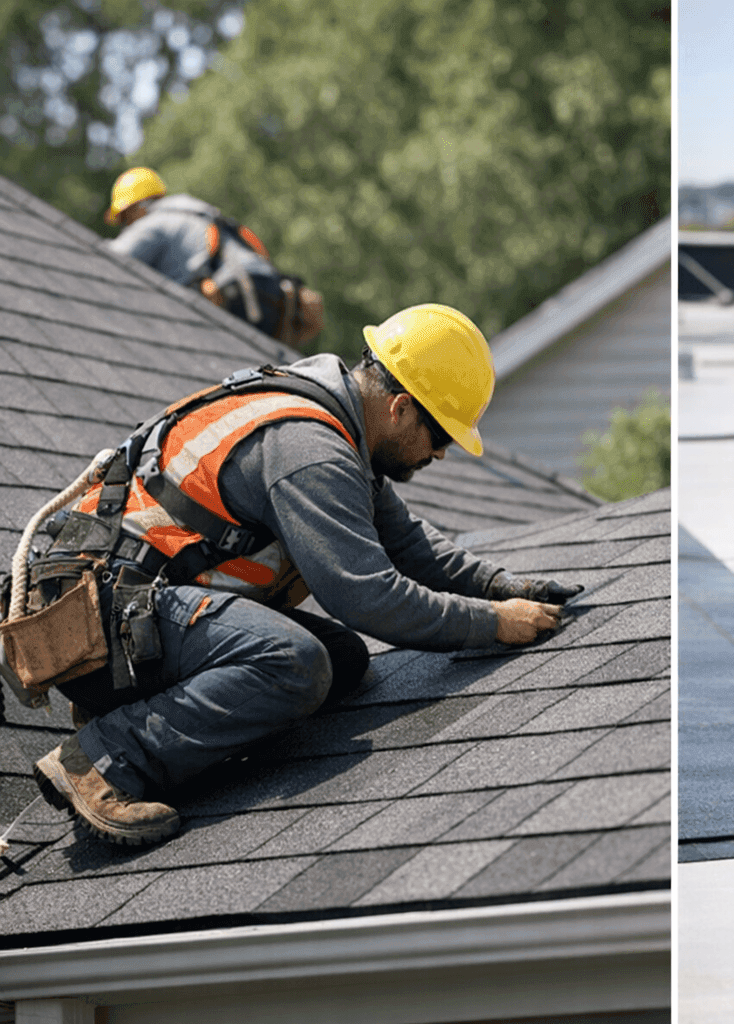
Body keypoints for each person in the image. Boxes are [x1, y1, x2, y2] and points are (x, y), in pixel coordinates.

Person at [27, 303, 582, 845]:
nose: (440, 456)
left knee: (342, 660)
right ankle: (102, 760)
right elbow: (369, 597)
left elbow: (408, 543)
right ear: (400, 408)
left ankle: (127, 714)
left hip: (127, 614)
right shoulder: (310, 450)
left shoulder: (329, 419)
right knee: (292, 662)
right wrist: (493, 622)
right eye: (440, 438)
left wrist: (500, 586)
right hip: (97, 624)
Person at [104, 167, 324, 347]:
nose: (126, 227)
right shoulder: (199, 213)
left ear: (137, 207)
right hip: (275, 297)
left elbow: (108, 259)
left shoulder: (155, 222)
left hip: (231, 295)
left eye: (125, 218)